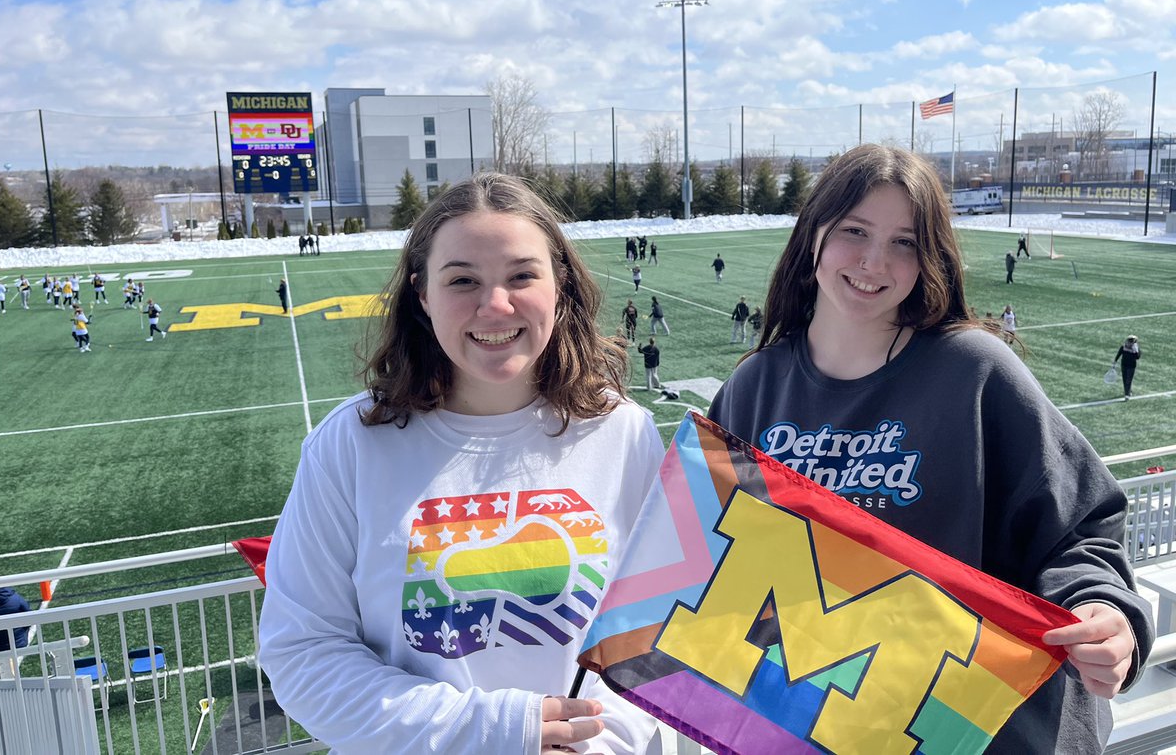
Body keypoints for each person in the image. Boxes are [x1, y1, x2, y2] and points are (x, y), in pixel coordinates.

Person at [706, 143, 1152, 752]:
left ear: (928, 257)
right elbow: (717, 561)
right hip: (833, 726)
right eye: (854, 232)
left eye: (904, 242)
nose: (873, 262)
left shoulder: (973, 372)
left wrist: (1106, 611)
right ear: (813, 236)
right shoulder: (753, 389)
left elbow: (1078, 526)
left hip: (979, 730)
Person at [258, 173, 664, 754]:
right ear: (422, 295)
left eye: (522, 275)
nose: (495, 305)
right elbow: (301, 651)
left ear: (561, 285)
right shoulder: (349, 446)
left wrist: (595, 744)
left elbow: (657, 630)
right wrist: (499, 735)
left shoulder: (623, 432)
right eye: (463, 280)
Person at [1114, 334, 1141, 400]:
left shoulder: (1135, 348)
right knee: (1125, 379)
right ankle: (1128, 391)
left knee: (1128, 380)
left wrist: (1136, 351)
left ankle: (1127, 394)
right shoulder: (1124, 346)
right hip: (1124, 365)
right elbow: (1119, 353)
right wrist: (1115, 361)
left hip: (1131, 366)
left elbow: (1137, 357)